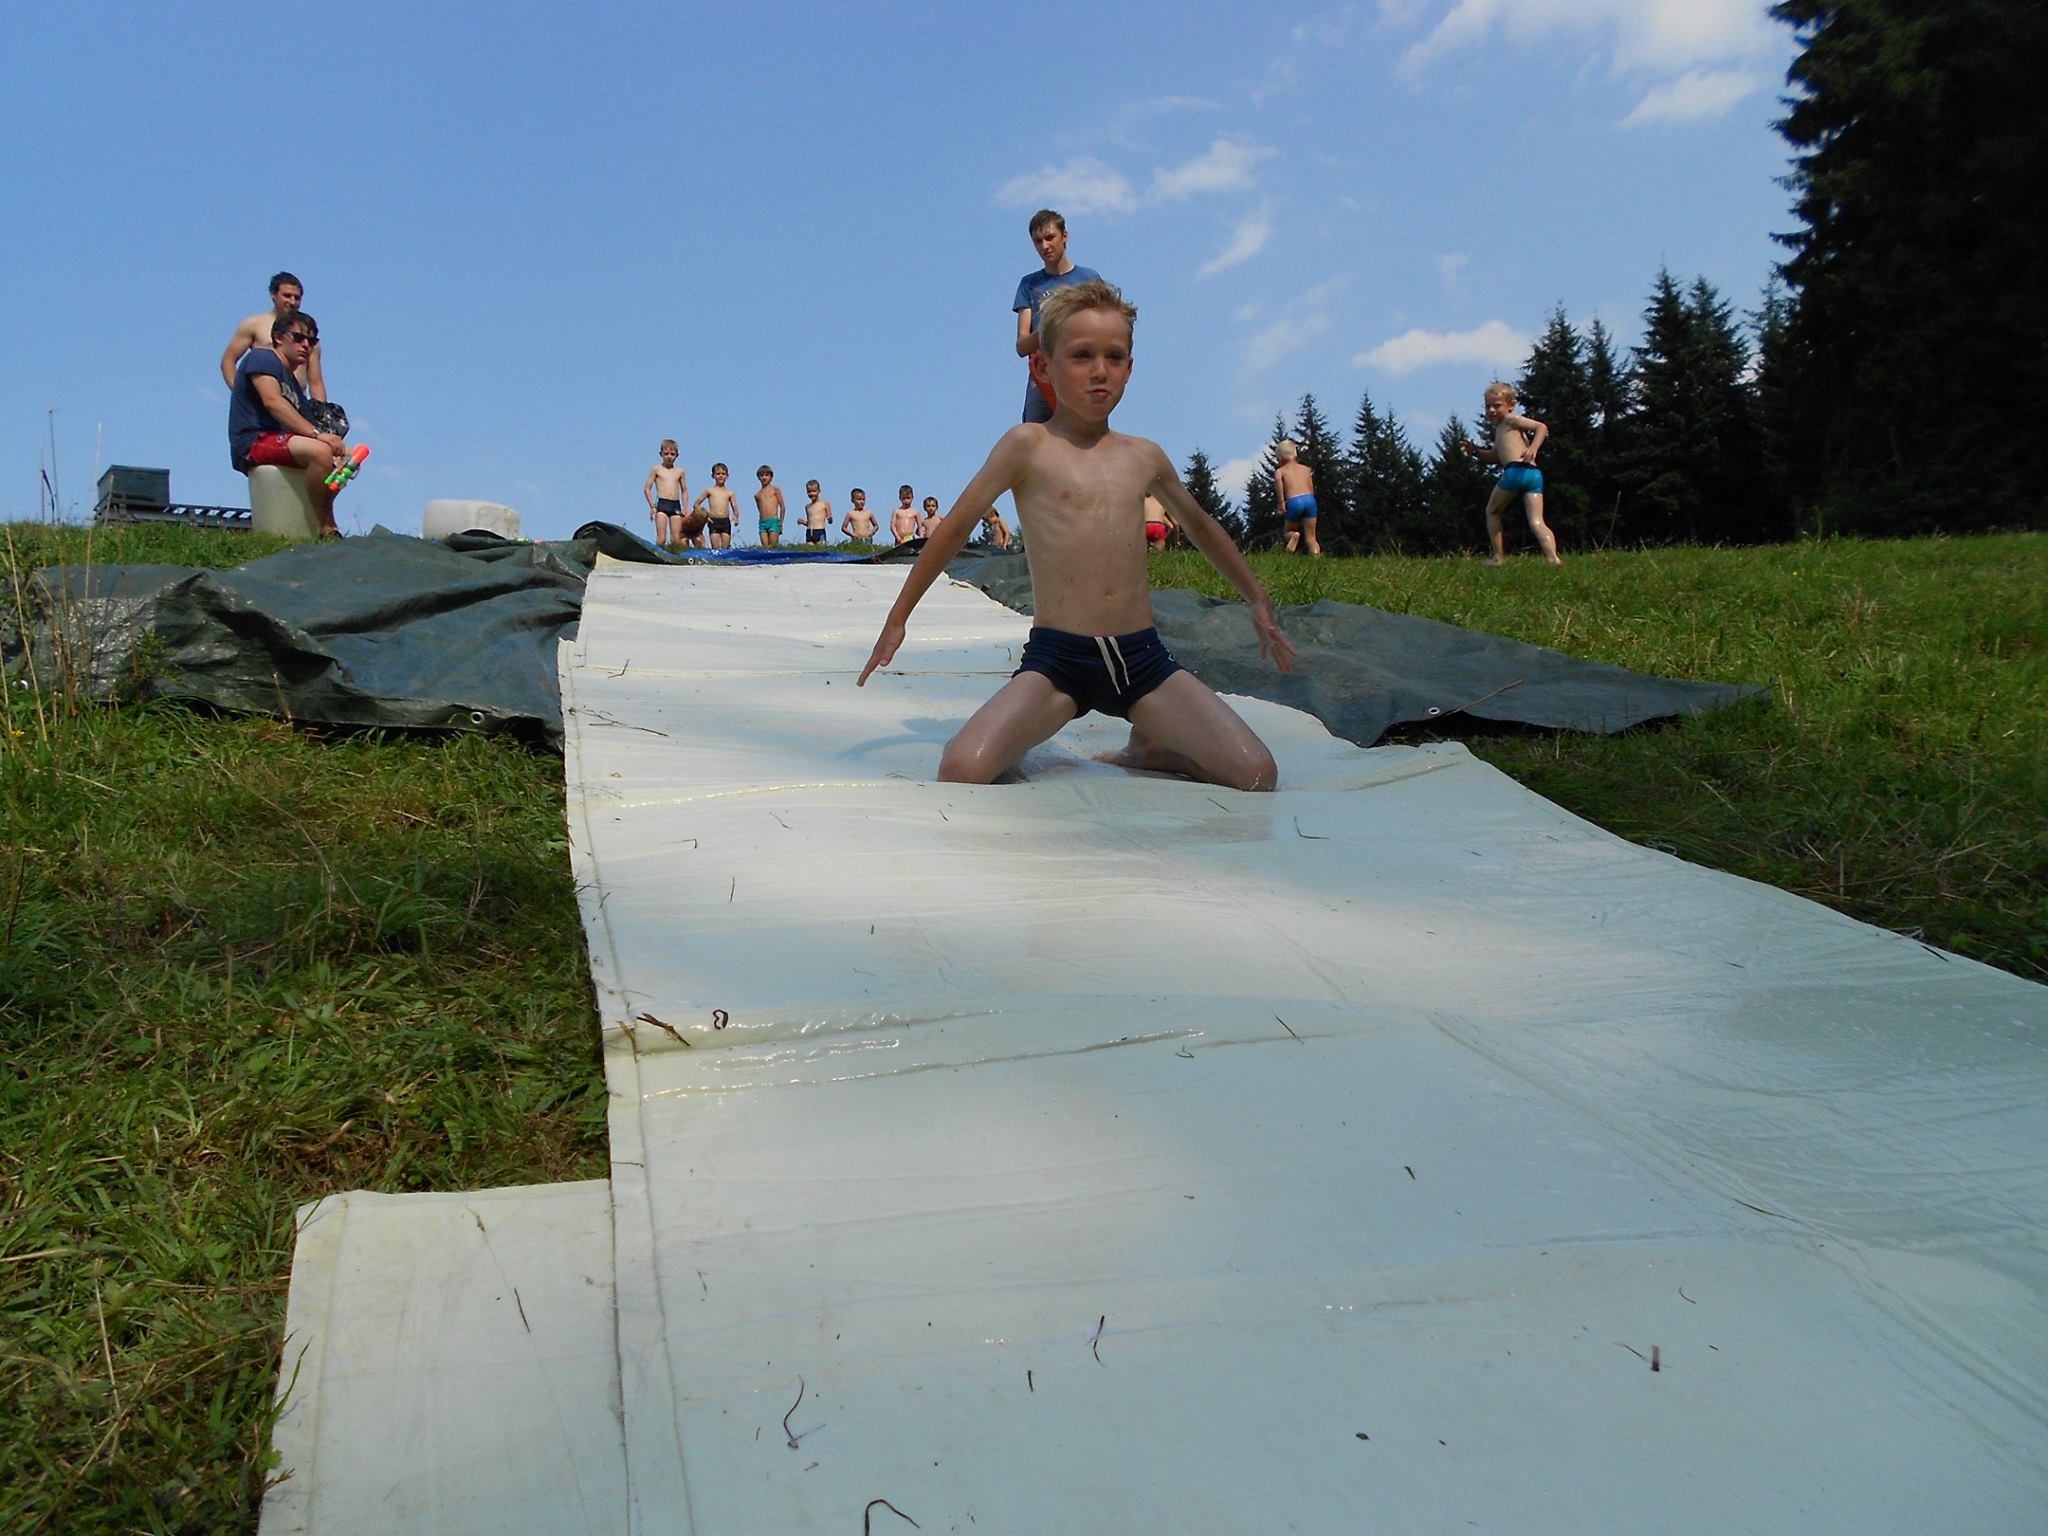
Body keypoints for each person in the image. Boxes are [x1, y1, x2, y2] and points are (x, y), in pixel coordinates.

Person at [859, 278, 1294, 791]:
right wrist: (898, 617)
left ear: (1130, 368)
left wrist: (1256, 598)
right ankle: (1042, 730)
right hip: (1059, 663)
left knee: (1258, 773)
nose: (1100, 370)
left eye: (1115, 356)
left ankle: (1151, 747)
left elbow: (1200, 526)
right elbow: (953, 529)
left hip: (1142, 662)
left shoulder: (1144, 456)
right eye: (1082, 355)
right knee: (962, 768)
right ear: (1043, 368)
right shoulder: (1028, 446)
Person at [228, 312, 347, 537]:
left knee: (342, 457)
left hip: (280, 440)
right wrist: (319, 436)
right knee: (320, 451)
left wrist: (339, 452)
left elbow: (304, 424)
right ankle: (327, 526)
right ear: (279, 337)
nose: (306, 346)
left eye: (311, 341)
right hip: (253, 440)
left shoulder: (293, 386)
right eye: (299, 338)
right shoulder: (262, 358)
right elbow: (273, 402)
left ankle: (317, 524)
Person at [1012, 209, 1103, 424]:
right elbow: (1022, 346)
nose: (1045, 246)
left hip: (1081, 375)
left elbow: (1104, 330)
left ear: (1064, 236)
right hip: (1042, 380)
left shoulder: (1089, 279)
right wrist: (1050, 327)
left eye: (1050, 237)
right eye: (1038, 241)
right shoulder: (1029, 284)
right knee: (1034, 439)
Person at [1461, 381, 1561, 566]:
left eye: (1497, 405)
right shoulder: (1501, 429)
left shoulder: (1510, 420)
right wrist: (1475, 451)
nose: (1491, 410)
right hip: (1533, 475)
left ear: (1511, 405)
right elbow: (1494, 456)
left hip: (1515, 471)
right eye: (1488, 406)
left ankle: (1498, 558)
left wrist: (1533, 448)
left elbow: (1541, 427)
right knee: (1537, 521)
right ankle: (1553, 558)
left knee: (1492, 511)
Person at [222, 271, 326, 399]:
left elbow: (316, 382)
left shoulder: (308, 336)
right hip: (264, 397)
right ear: (273, 294)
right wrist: (242, 395)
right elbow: (228, 361)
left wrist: (321, 408)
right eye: (287, 296)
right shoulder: (255, 324)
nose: (292, 302)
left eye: (297, 298)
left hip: (297, 401)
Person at [1274, 440, 1321, 556]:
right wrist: (1312, 502)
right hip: (1310, 500)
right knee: (1311, 537)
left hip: (1294, 501)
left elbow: (1279, 485)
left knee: (1288, 531)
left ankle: (1293, 537)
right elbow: (1311, 488)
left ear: (1280, 459)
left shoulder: (1280, 471)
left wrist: (1281, 503)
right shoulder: (1306, 469)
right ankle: (1317, 559)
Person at [645, 439, 690, 547]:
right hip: (662, 504)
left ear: (677, 455)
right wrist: (652, 506)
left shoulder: (680, 471)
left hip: (675, 504)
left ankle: (674, 555)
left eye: (672, 454)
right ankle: (658, 554)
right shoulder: (657, 469)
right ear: (661, 454)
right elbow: (647, 488)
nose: (669, 457)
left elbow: (684, 490)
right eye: (666, 454)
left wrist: (685, 507)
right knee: (662, 538)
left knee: (676, 539)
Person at [694, 463, 739, 550]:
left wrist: (736, 517)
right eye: (718, 474)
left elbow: (735, 507)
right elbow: (696, 504)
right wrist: (705, 516)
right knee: (715, 548)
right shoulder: (709, 490)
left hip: (725, 521)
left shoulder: (730, 493)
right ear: (713, 476)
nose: (721, 476)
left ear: (727, 476)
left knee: (725, 548)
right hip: (713, 521)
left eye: (723, 474)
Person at [754, 465, 786, 547]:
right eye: (762, 475)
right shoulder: (757, 495)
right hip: (763, 522)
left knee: (773, 547)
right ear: (758, 477)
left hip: (773, 521)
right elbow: (759, 509)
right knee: (765, 547)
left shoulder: (775, 490)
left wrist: (781, 523)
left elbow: (782, 507)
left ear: (771, 477)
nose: (764, 477)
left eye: (766, 475)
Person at [802, 480, 833, 545]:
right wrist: (803, 522)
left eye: (814, 491)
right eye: (809, 492)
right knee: (809, 549)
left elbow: (829, 518)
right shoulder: (807, 507)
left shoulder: (824, 504)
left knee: (821, 548)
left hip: (820, 530)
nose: (811, 493)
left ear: (819, 491)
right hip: (809, 532)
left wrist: (830, 519)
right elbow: (809, 522)